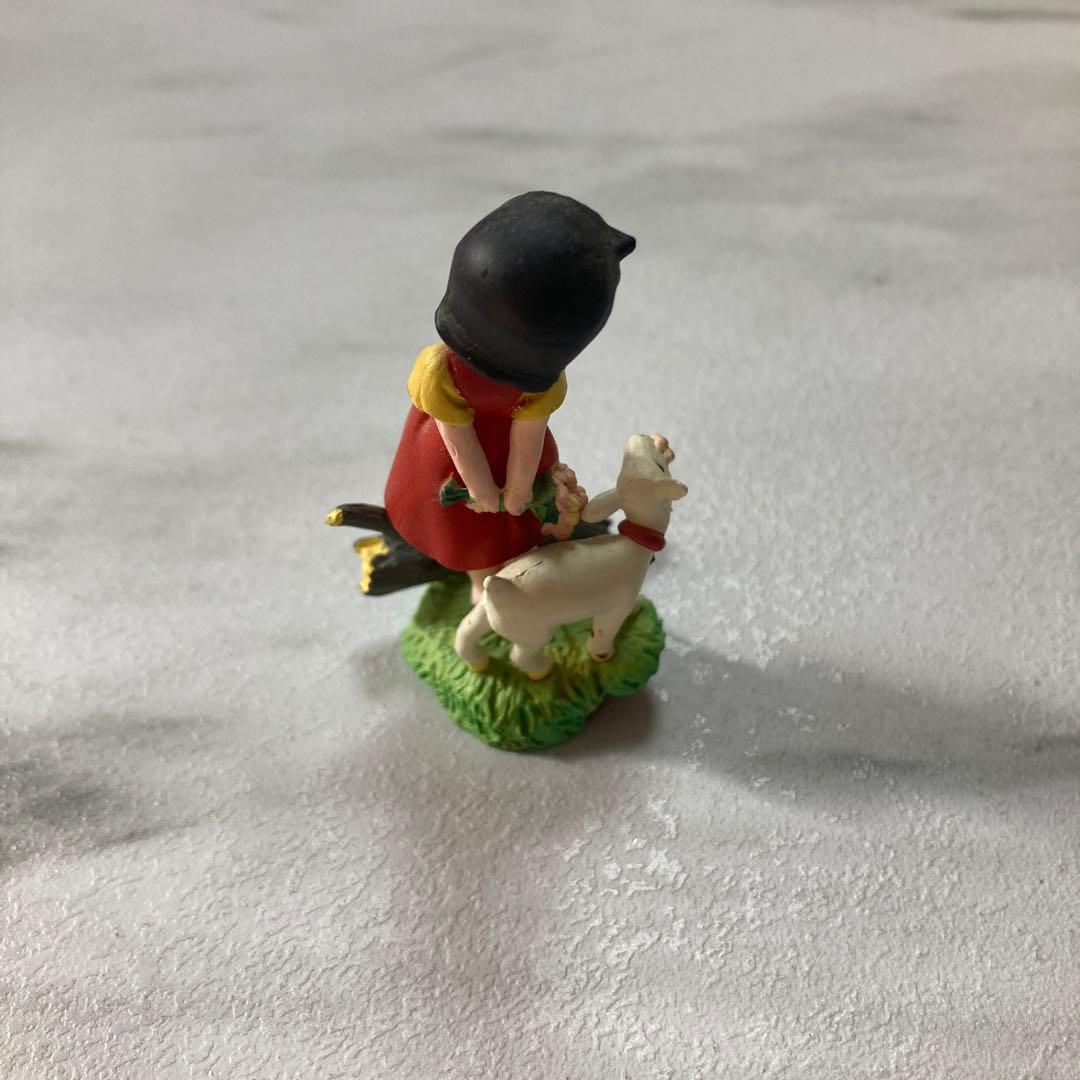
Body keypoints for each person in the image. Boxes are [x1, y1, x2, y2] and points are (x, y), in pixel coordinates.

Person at [384, 191, 635, 601]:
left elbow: (529, 433)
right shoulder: (438, 368)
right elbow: (456, 437)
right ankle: (480, 583)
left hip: (510, 458)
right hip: (448, 465)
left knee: (510, 527)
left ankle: (513, 566)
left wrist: (518, 491)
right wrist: (484, 490)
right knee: (468, 530)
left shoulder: (537, 379)